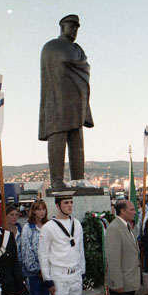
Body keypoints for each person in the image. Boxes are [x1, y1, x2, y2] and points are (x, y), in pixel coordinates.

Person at [39, 14, 93, 188]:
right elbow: (49, 75)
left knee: (77, 142)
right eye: (72, 27)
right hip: (57, 101)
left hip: (77, 102)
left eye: (77, 28)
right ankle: (56, 180)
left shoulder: (78, 50)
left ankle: (78, 179)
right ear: (63, 27)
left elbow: (84, 69)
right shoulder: (51, 47)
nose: (75, 30)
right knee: (58, 138)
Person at [20, 200, 50, 295]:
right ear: (33, 211)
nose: (41, 212)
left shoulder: (48, 226)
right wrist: (37, 269)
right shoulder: (28, 228)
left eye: (43, 209)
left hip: (47, 273)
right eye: (38, 209)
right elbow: (27, 251)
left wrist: (47, 269)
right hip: (34, 273)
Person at [5, 205, 26, 295]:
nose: (14, 217)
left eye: (16, 215)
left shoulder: (20, 229)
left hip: (19, 268)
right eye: (11, 215)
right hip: (7, 269)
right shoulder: (2, 231)